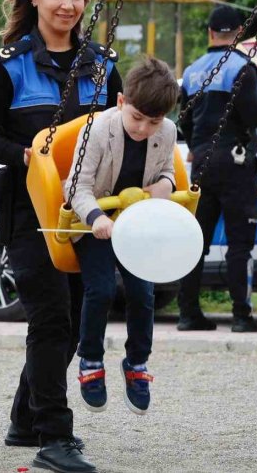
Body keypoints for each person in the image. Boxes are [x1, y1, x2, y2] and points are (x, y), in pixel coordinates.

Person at [0, 0, 123, 473]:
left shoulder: (103, 66)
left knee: (77, 319)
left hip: (88, 212)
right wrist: (25, 156)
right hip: (28, 209)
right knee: (51, 316)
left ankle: (24, 417)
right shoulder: (9, 65)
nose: (69, 4)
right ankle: (55, 436)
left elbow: (125, 132)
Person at [65, 57, 179, 416]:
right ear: (120, 102)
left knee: (143, 293)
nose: (144, 129)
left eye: (153, 122)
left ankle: (137, 363)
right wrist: (96, 216)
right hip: (97, 224)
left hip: (135, 224)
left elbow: (168, 173)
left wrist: (165, 185)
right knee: (99, 289)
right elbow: (76, 187)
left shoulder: (167, 131)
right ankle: (90, 360)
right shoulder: (97, 131)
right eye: (137, 118)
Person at [177, 5, 257, 333]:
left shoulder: (191, 72)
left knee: (195, 241)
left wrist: (197, 147)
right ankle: (242, 317)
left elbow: (183, 118)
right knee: (239, 243)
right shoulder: (242, 68)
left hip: (201, 163)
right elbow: (253, 116)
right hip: (236, 162)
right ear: (239, 32)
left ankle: (188, 314)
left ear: (210, 33)